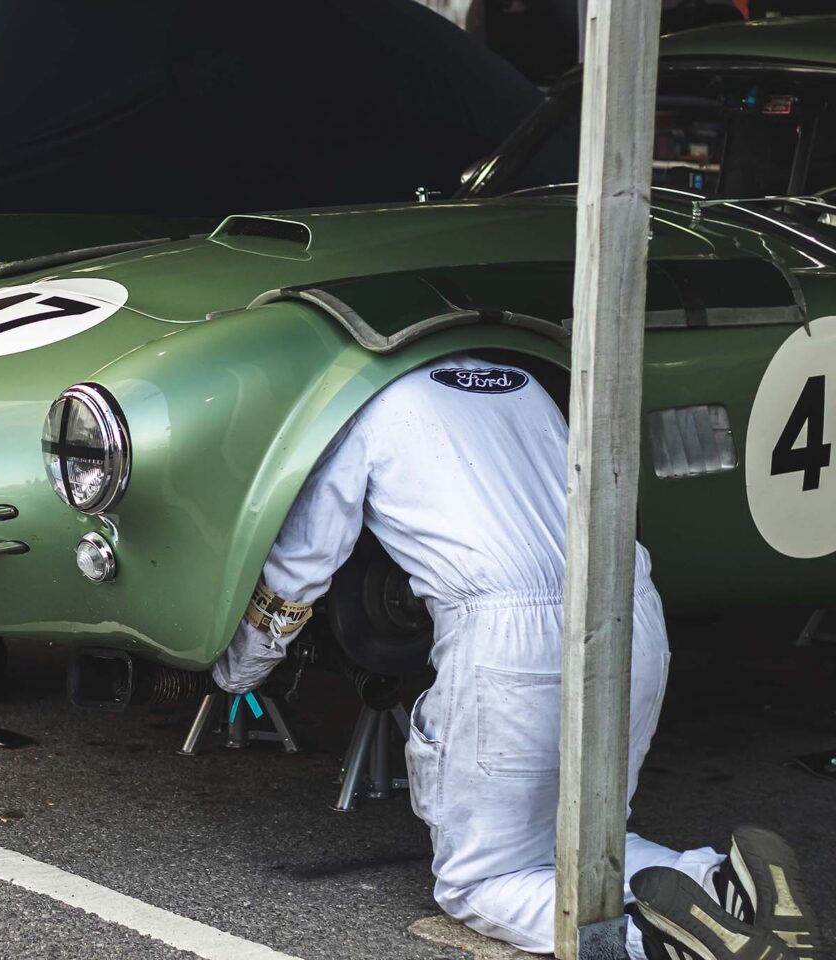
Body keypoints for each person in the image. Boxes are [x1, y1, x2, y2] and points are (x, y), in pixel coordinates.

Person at [214, 353, 821, 960]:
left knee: (481, 884)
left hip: (509, 637)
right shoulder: (521, 384)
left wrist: (239, 670)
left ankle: (663, 945)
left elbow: (301, 567)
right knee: (584, 843)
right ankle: (722, 885)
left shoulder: (361, 405)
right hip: (627, 606)